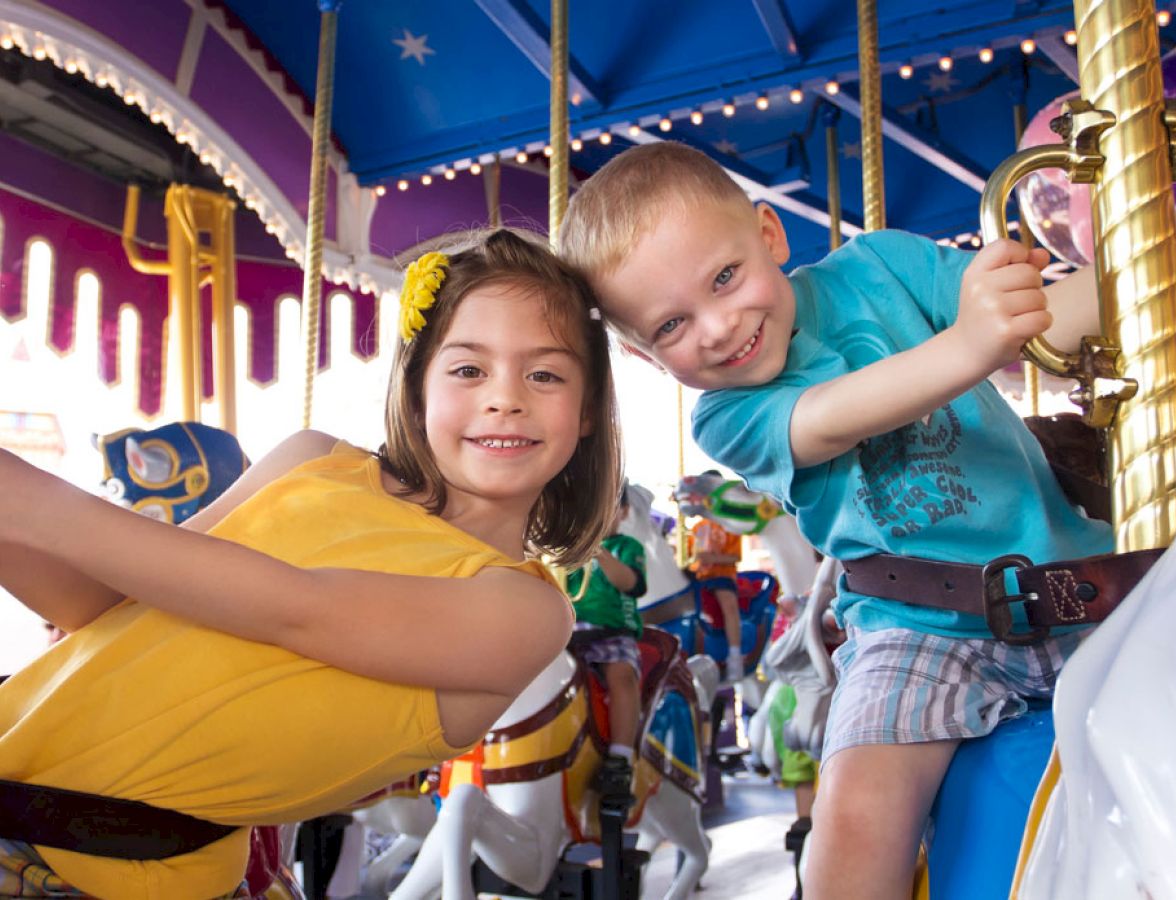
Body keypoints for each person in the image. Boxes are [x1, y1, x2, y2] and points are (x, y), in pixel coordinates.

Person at [558, 140, 1176, 899]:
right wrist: (968, 343)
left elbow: (1046, 323)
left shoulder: (884, 268)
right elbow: (833, 418)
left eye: (725, 278)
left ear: (769, 234)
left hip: (1085, 586)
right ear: (640, 355)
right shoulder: (725, 415)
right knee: (857, 816)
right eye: (670, 327)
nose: (717, 327)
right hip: (920, 631)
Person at [0, 228, 622, 899]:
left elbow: (293, 610)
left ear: (586, 411)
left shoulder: (522, 611)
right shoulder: (311, 461)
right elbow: (103, 603)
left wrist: (34, 502)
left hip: (103, 872)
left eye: (545, 374)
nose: (506, 398)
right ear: (416, 385)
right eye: (469, 369)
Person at [565, 483, 647, 801]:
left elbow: (630, 583)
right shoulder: (568, 551)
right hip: (570, 633)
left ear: (624, 512)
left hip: (612, 631)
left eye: (607, 507)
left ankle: (620, 756)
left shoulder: (626, 547)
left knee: (621, 676)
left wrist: (597, 548)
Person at [687, 474, 745, 680]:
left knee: (728, 604)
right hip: (699, 578)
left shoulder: (729, 524)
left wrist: (711, 557)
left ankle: (735, 655)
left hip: (721, 576)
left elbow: (735, 556)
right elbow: (687, 558)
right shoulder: (696, 528)